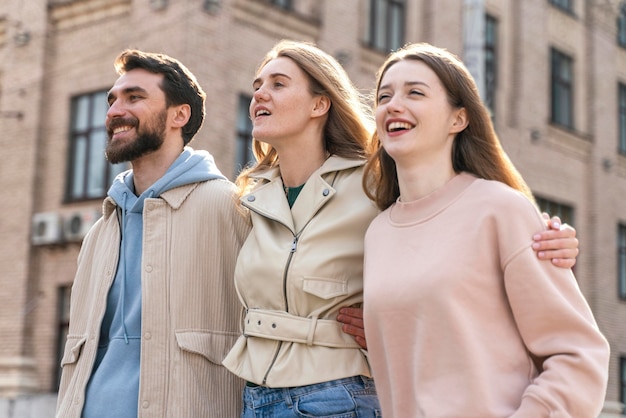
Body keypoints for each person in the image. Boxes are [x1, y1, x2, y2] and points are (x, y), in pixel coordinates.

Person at [221, 39, 581, 417]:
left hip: (340, 395)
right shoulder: (251, 197)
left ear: (319, 104)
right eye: (257, 84)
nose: (259, 93)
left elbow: (444, 217)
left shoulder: (375, 185)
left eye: (277, 84)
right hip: (256, 397)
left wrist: (549, 235)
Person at [361, 42, 610, 417]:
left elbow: (577, 354)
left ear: (458, 119)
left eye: (415, 92)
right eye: (384, 96)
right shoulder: (377, 232)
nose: (393, 105)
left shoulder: (500, 209)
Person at [56, 50, 250, 417]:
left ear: (180, 115)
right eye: (112, 100)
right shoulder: (100, 232)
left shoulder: (231, 207)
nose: (114, 111)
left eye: (135, 97)